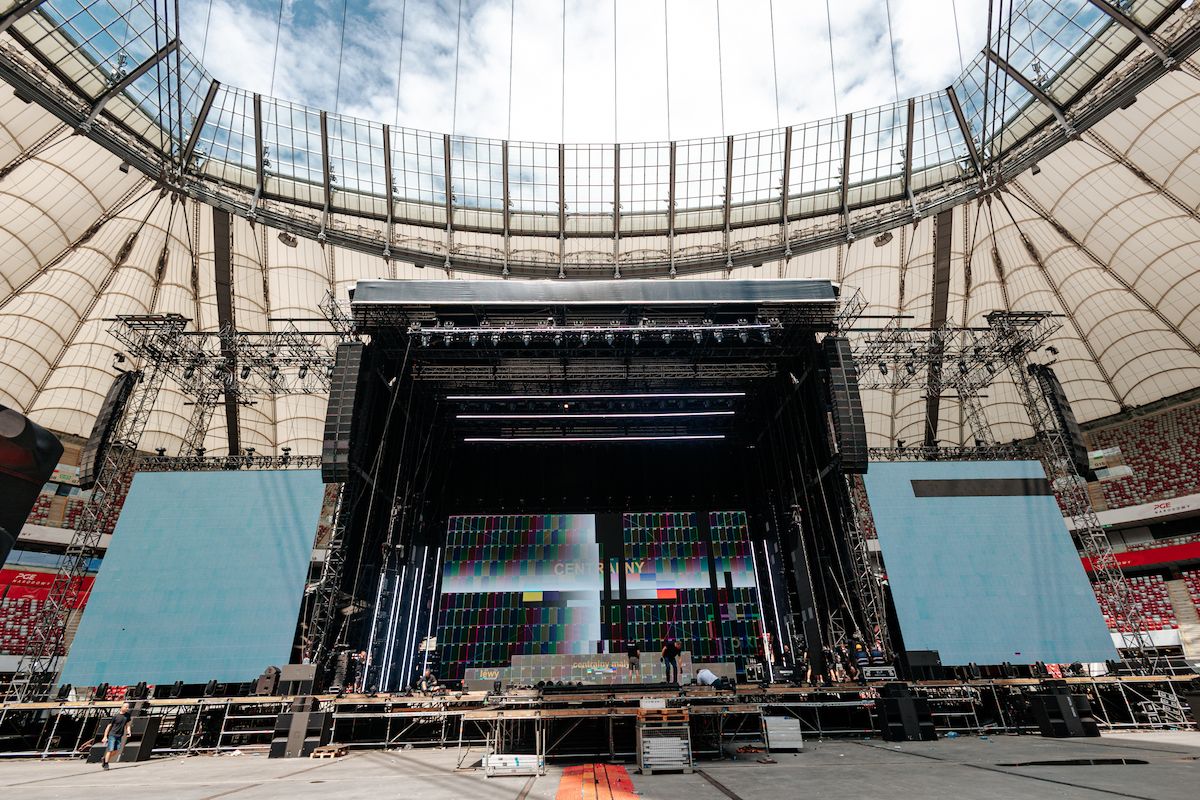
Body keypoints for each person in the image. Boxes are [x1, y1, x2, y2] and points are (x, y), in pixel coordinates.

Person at [100, 702, 132, 770]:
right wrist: (105, 736)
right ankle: (106, 764)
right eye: (126, 707)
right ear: (122, 707)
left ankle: (105, 759)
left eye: (128, 707)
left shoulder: (127, 716)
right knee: (110, 749)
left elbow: (128, 724)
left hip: (119, 735)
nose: (127, 708)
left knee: (116, 751)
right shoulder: (115, 716)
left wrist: (128, 731)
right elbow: (108, 726)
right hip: (112, 735)